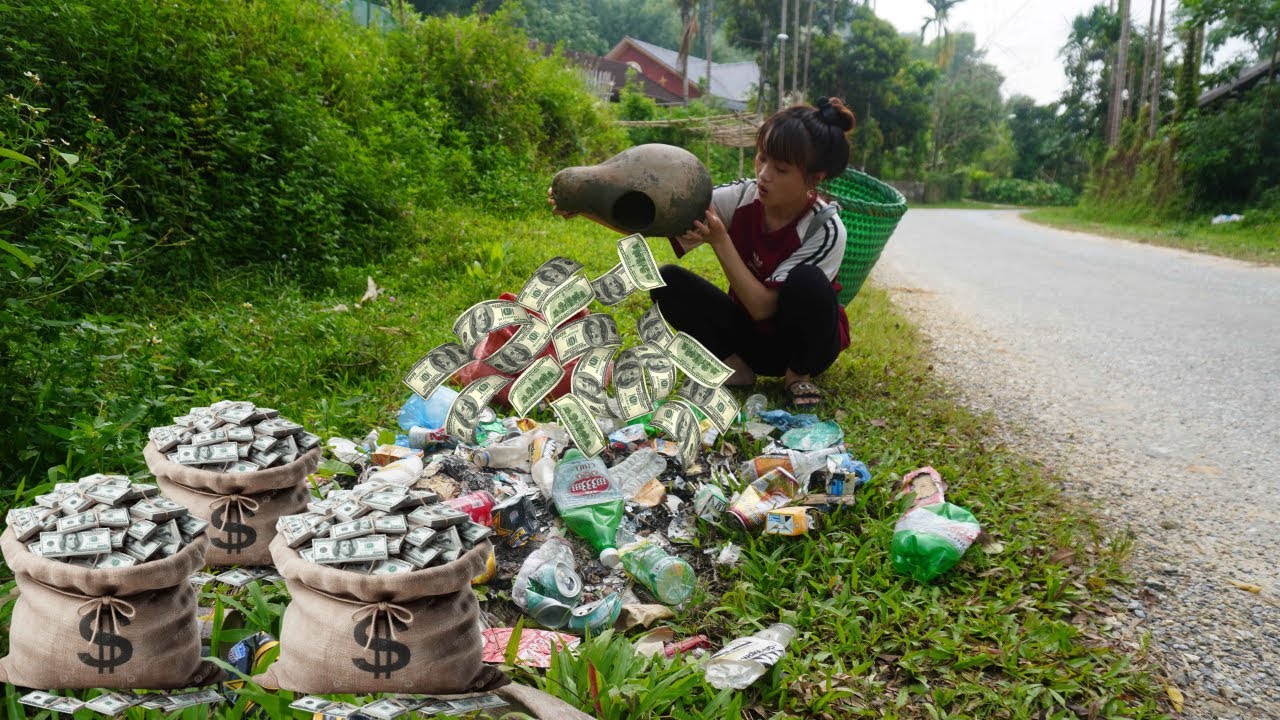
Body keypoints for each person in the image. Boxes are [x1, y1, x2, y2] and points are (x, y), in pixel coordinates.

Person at [550, 97, 855, 407]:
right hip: (751, 338)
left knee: (808, 283)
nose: (764, 174)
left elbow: (764, 308)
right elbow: (660, 221)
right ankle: (737, 367)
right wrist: (584, 208)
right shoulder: (741, 197)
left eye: (780, 169)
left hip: (801, 347)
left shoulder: (825, 228)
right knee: (667, 280)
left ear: (814, 179)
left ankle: (797, 378)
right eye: (761, 159)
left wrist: (720, 241)